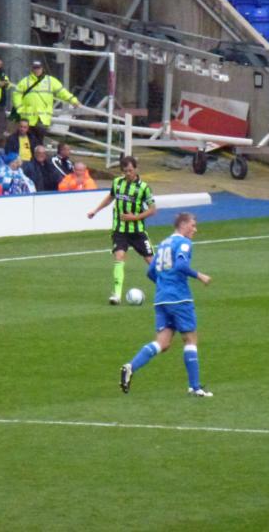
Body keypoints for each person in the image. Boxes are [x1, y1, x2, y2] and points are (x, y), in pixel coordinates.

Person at [119, 212, 212, 397]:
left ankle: (130, 366)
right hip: (179, 298)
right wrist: (200, 276)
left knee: (163, 342)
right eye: (193, 225)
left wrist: (164, 284)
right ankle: (195, 387)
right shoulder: (183, 243)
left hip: (161, 298)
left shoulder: (163, 244)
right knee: (190, 339)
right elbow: (180, 266)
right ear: (183, 225)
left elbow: (150, 272)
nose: (195, 229)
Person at [87, 155, 157, 305]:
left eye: (130, 170)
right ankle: (117, 295)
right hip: (120, 230)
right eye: (125, 171)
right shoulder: (117, 183)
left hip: (137, 231)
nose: (128, 174)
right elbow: (110, 197)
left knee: (151, 262)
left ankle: (167, 291)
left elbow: (152, 210)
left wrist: (135, 217)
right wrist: (96, 210)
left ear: (136, 169)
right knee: (119, 256)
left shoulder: (143, 187)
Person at [12, 60, 79, 142]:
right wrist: (20, 108)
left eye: (38, 68)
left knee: (39, 140)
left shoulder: (51, 81)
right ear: (32, 69)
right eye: (35, 68)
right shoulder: (25, 81)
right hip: (28, 118)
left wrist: (73, 100)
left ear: (42, 69)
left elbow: (62, 92)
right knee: (26, 142)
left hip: (42, 118)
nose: (36, 70)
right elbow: (16, 95)